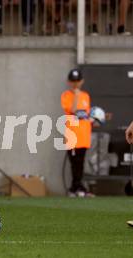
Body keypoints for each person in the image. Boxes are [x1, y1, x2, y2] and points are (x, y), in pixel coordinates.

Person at [61, 68, 94, 197]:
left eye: (77, 81)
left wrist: (95, 119)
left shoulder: (86, 96)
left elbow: (86, 115)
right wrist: (76, 95)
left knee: (81, 163)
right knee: (74, 164)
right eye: (73, 81)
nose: (75, 84)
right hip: (73, 136)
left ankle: (78, 187)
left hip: (84, 135)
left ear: (82, 81)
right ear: (69, 82)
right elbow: (73, 110)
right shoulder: (66, 96)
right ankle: (75, 188)